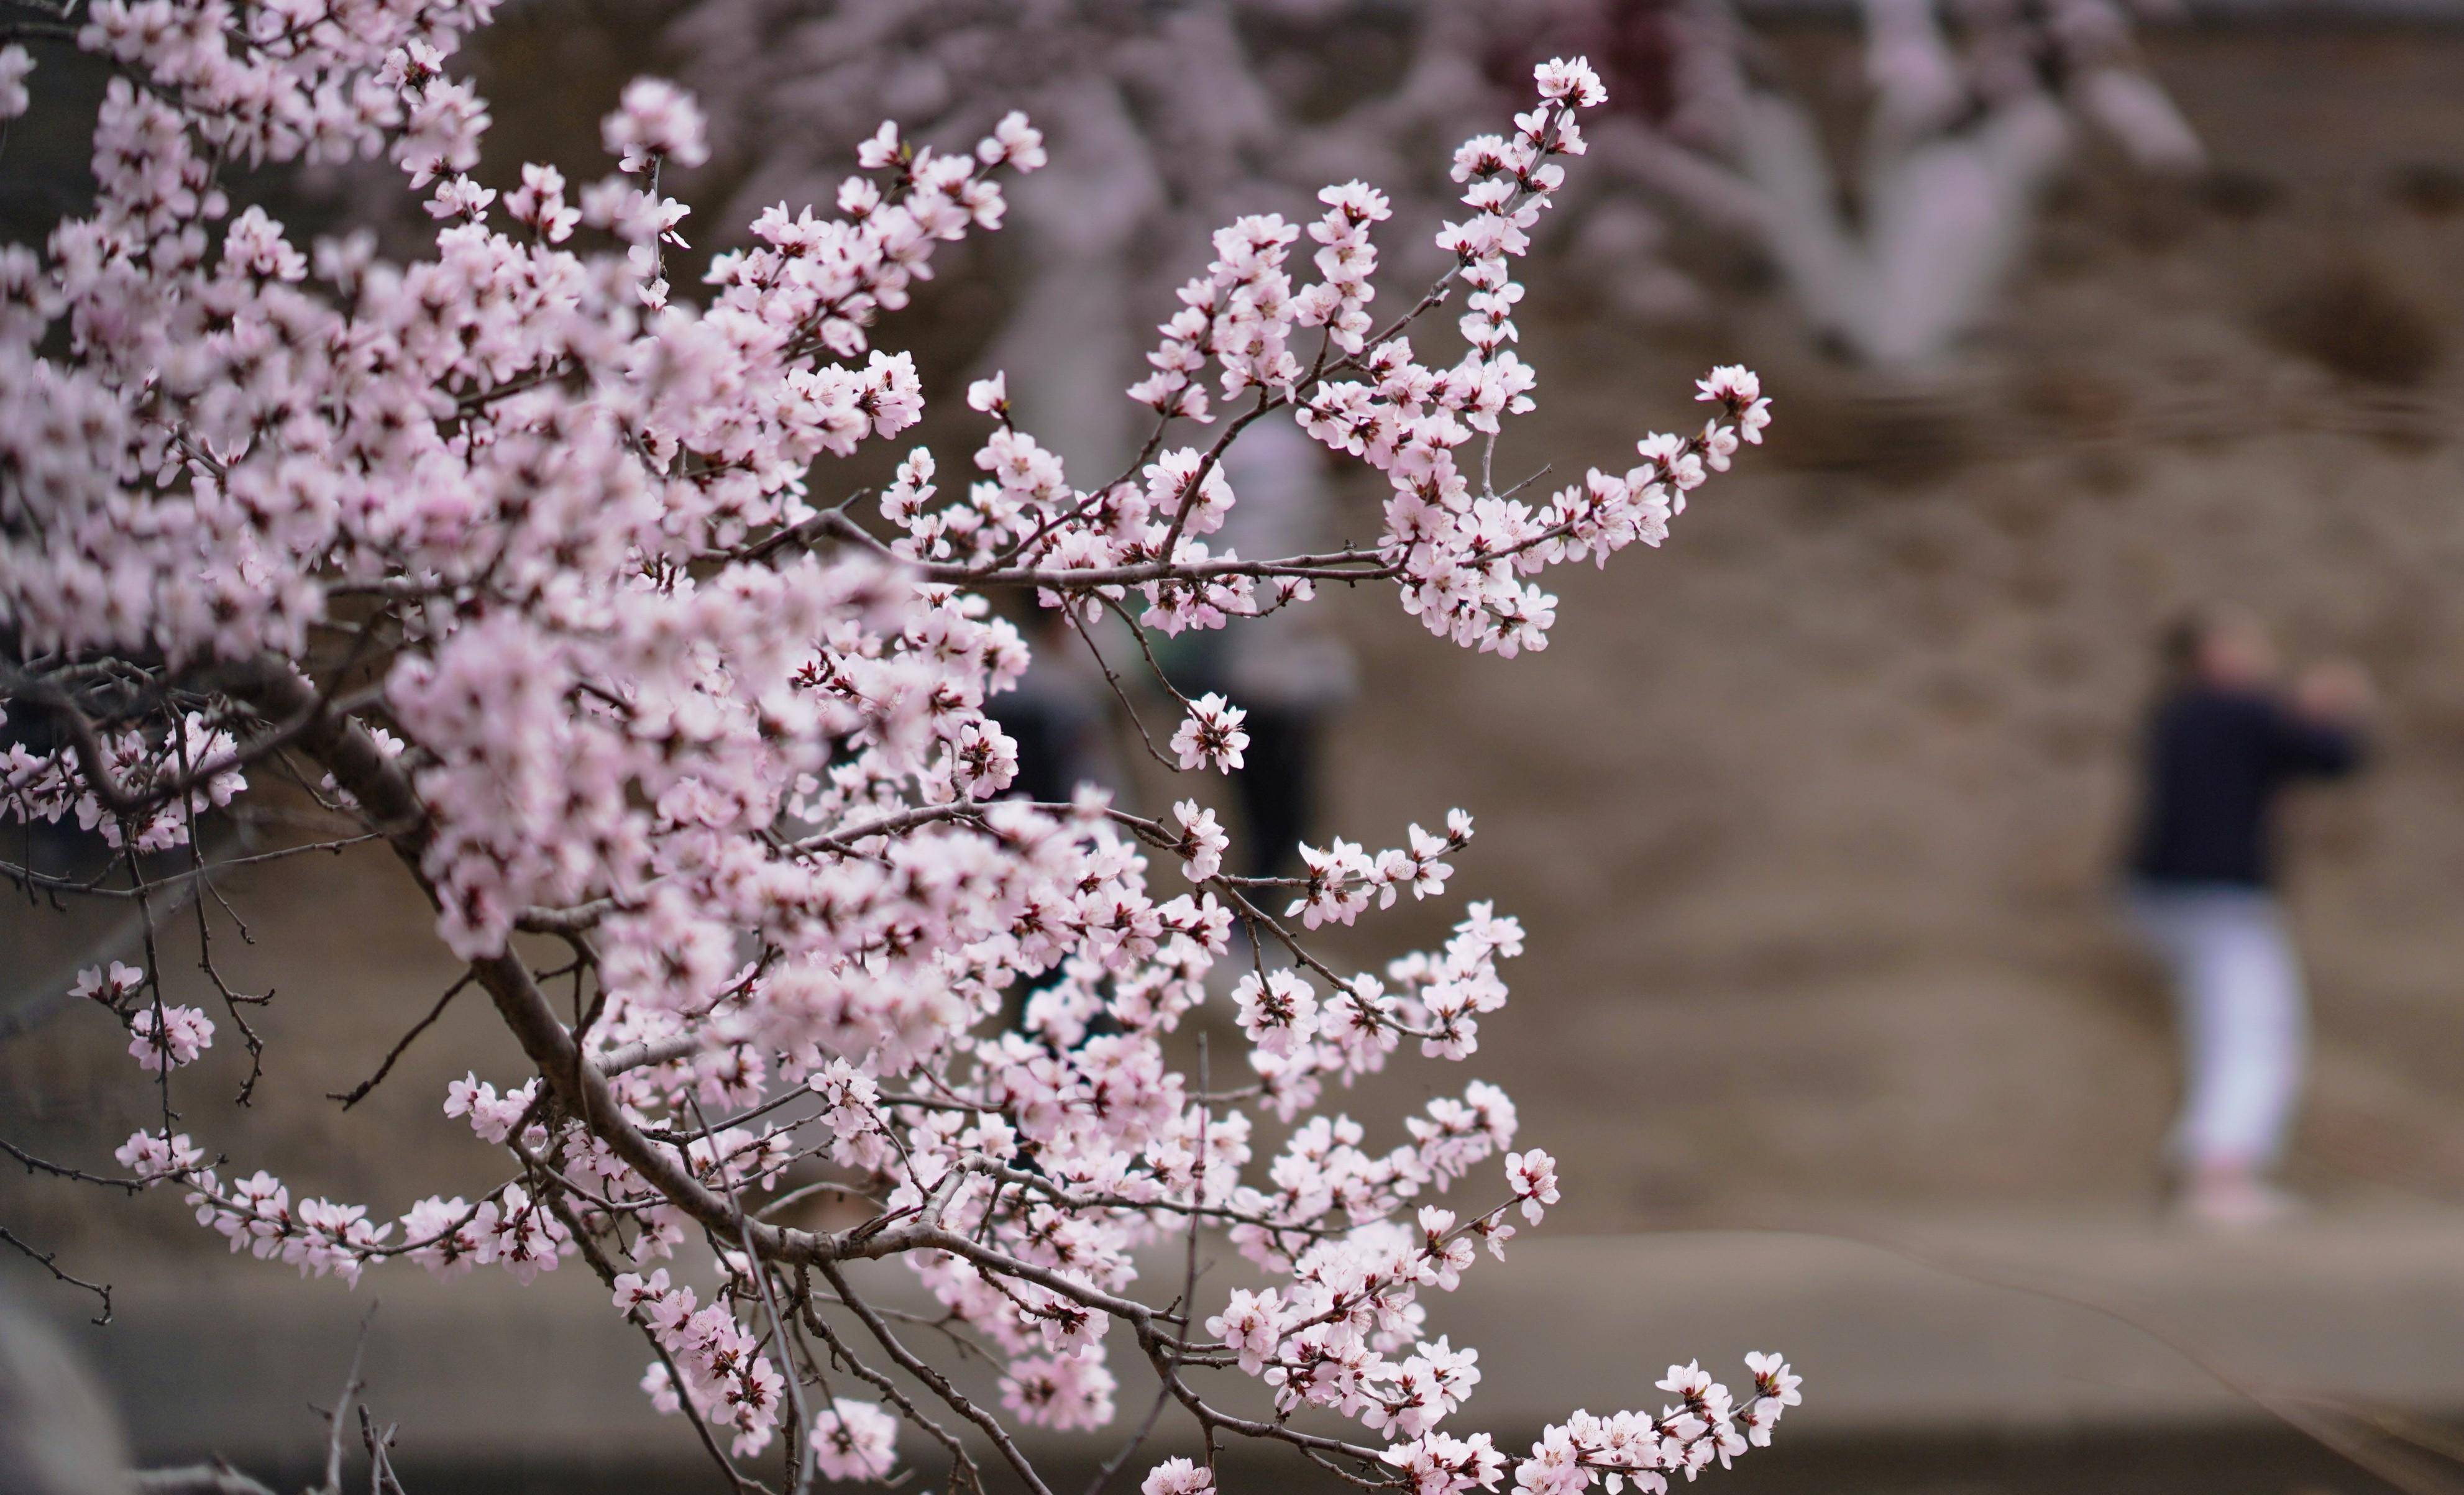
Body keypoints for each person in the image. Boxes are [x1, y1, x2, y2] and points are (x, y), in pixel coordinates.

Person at [2123, 605, 2371, 1226]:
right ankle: (2220, 1175)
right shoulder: (2244, 710)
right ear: (2211, 654)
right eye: (2243, 640)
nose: (2260, 652)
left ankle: (2207, 1167)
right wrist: (2327, 707)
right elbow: (2333, 757)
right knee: (2253, 1033)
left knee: (2220, 1028)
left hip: (2158, 891)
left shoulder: (2173, 713)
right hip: (2221, 897)